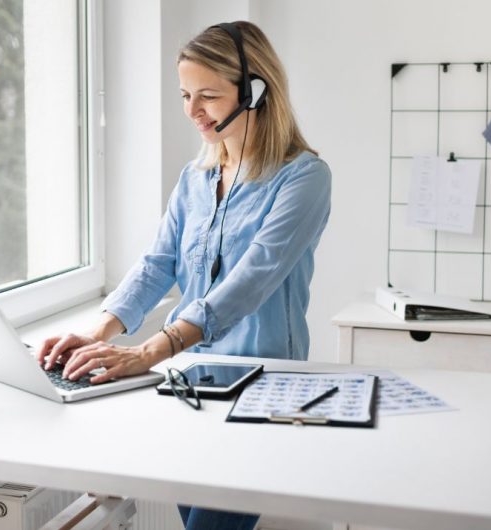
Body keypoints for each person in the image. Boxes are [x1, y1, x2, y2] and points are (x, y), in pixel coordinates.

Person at [38, 21, 331, 530]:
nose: (192, 111)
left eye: (209, 96)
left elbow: (252, 276)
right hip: (185, 386)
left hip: (259, 390)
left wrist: (150, 350)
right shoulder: (194, 179)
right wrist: (96, 331)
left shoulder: (304, 177)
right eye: (185, 95)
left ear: (256, 92)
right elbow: (157, 263)